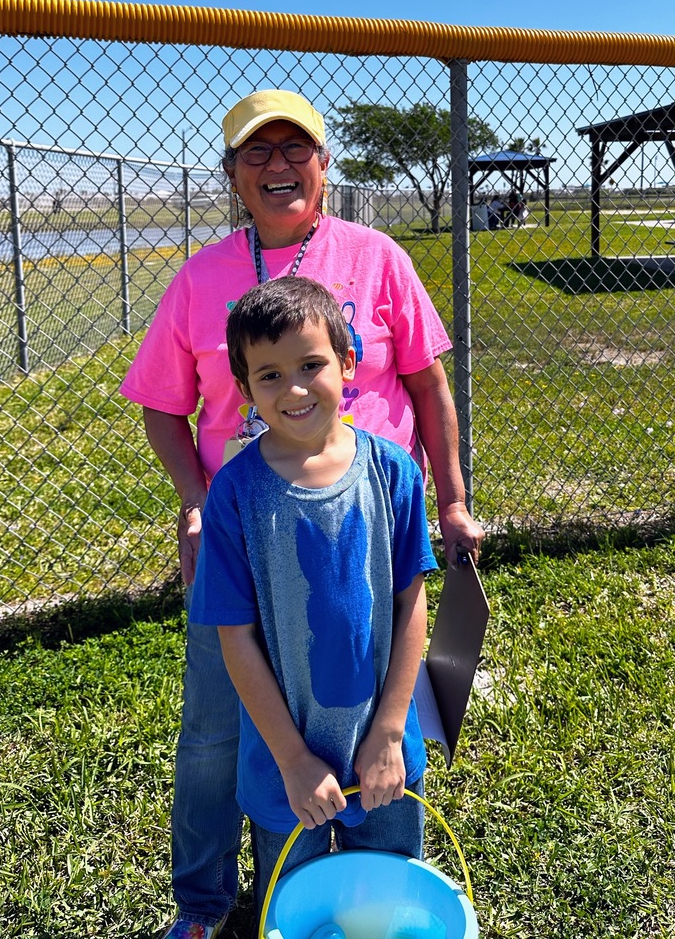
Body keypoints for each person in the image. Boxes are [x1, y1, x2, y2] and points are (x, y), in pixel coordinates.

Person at [119, 88, 484, 938]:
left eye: (296, 150)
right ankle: (206, 903)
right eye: (257, 153)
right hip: (250, 541)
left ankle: (370, 878)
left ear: (324, 167)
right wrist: (199, 503)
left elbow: (429, 387)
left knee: (369, 704)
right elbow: (162, 408)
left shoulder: (379, 256)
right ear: (234, 176)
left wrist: (453, 499)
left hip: (367, 531)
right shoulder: (201, 276)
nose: (278, 165)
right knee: (218, 730)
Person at [189, 276, 438, 914]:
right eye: (269, 376)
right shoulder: (235, 497)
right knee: (296, 903)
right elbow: (235, 637)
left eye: (311, 365)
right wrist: (294, 759)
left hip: (381, 753)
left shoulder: (395, 474)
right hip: (283, 765)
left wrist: (387, 733)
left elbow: (412, 604)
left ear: (349, 361)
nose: (294, 388)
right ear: (243, 390)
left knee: (383, 901)